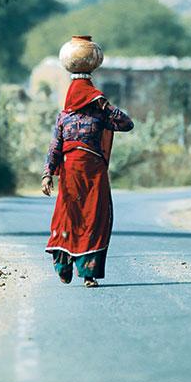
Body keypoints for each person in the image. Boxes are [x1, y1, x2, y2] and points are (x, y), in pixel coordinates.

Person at [42, 75, 134, 287]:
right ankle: (63, 266)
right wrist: (47, 174)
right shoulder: (63, 117)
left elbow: (127, 124)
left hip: (95, 177)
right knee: (67, 219)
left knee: (94, 220)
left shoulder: (101, 116)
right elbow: (55, 147)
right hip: (70, 177)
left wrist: (107, 106)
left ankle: (88, 274)